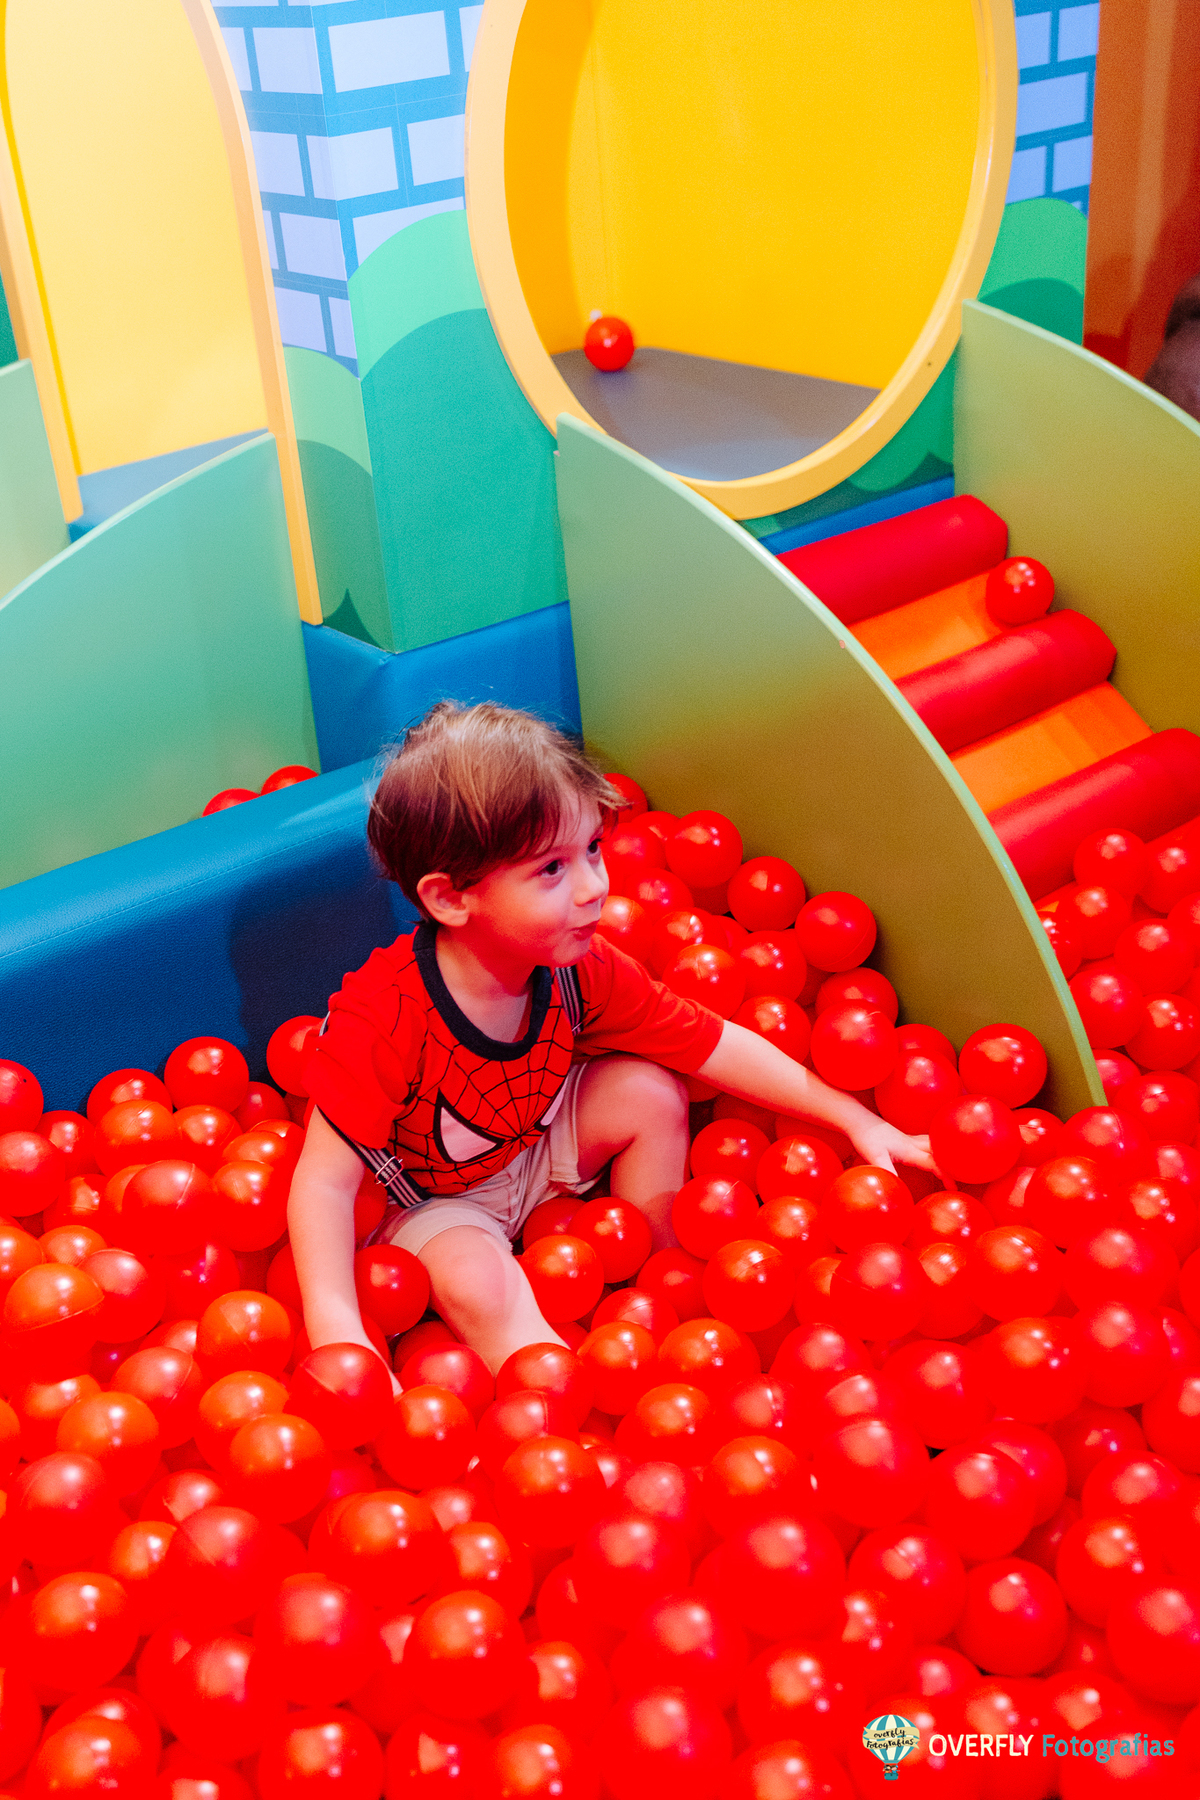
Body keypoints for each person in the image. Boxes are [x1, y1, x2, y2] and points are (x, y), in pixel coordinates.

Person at [288, 701, 936, 1374]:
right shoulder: (386, 1016)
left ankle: (653, 1285)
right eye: (551, 870)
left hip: (535, 1144)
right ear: (452, 898)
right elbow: (324, 1186)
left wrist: (853, 1117)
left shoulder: (581, 970)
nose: (596, 887)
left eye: (592, 849)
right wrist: (339, 1332)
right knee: (477, 1281)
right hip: (438, 1199)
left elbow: (713, 1043)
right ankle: (552, 1390)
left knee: (650, 1092)